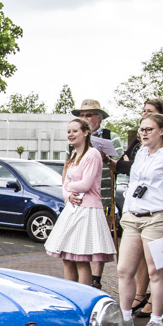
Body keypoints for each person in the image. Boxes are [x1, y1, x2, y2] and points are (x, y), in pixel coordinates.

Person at [116, 113, 163, 326]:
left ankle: (157, 320)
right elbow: (134, 183)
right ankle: (125, 315)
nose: (143, 133)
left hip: (158, 217)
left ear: (162, 130)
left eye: (148, 129)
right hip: (134, 216)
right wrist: (126, 210)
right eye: (141, 130)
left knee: (156, 271)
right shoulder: (141, 154)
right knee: (124, 269)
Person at [45, 119, 116, 284]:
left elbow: (86, 183)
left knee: (81, 259)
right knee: (67, 258)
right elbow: (64, 184)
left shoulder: (92, 154)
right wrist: (68, 194)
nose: (71, 134)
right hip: (72, 209)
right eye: (69, 131)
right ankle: (71, 294)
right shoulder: (72, 155)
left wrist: (69, 186)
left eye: (75, 131)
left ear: (85, 132)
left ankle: (84, 298)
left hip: (87, 210)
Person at [71, 99, 111, 287]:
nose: (86, 118)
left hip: (103, 194)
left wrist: (108, 159)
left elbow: (122, 162)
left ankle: (96, 279)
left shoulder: (111, 136)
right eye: (83, 115)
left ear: (99, 117)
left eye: (89, 115)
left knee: (98, 239)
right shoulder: (75, 139)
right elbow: (69, 168)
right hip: (79, 199)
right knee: (79, 245)